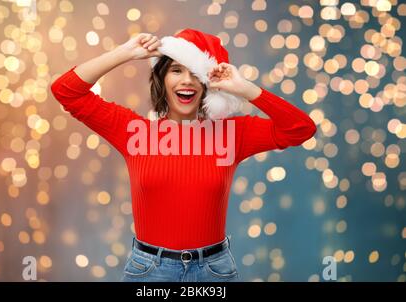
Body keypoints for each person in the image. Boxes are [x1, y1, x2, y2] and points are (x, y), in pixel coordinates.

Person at [51, 28, 317, 282]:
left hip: (215, 271)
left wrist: (243, 87)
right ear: (162, 78)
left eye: (196, 74)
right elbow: (65, 90)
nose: (187, 80)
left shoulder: (233, 134)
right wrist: (125, 53)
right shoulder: (133, 131)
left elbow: (301, 129)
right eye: (176, 70)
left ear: (208, 85)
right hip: (149, 271)